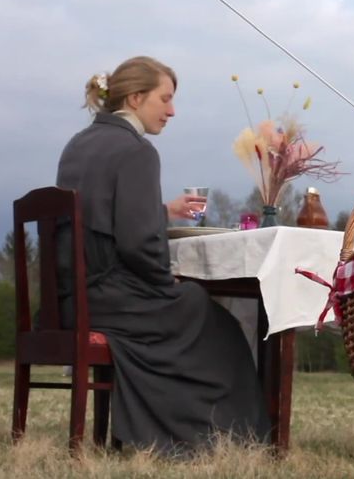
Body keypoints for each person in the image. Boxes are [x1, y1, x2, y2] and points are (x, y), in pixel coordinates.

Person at [55, 56, 270, 455]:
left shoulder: (79, 144)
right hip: (113, 302)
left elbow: (102, 220)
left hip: (73, 301)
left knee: (189, 305)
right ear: (136, 98)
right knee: (211, 318)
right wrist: (164, 281)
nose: (172, 111)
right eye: (165, 99)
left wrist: (162, 211)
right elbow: (138, 245)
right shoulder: (137, 151)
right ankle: (223, 437)